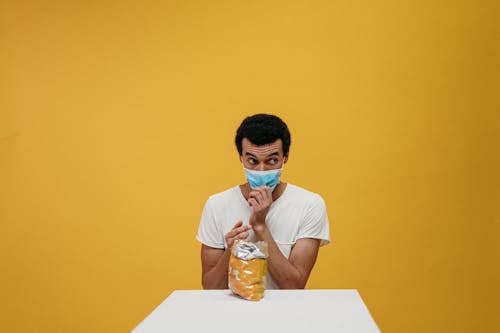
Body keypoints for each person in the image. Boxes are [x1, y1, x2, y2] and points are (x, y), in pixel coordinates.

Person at [196, 114, 330, 289]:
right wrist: (231, 250)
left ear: (285, 157)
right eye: (252, 161)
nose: (261, 170)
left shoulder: (310, 205)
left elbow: (294, 286)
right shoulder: (216, 205)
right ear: (241, 158)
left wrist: (260, 227)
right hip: (230, 315)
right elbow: (210, 288)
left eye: (272, 161)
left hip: (285, 314)